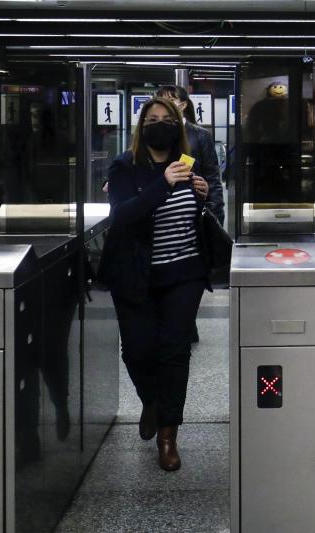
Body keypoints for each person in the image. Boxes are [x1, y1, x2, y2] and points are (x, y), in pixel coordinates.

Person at [98, 97, 210, 472]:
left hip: (184, 272)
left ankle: (167, 435)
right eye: (152, 119)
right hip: (134, 275)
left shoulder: (188, 163)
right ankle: (151, 401)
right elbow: (123, 215)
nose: (159, 124)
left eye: (166, 119)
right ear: (141, 126)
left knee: (174, 353)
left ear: (177, 127)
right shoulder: (124, 166)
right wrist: (163, 184)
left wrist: (202, 199)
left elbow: (201, 214)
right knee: (137, 350)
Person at [156, 85, 225, 343]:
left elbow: (212, 176)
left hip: (193, 213)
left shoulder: (199, 136)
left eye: (170, 100)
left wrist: (215, 213)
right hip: (161, 213)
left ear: (183, 104)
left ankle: (185, 321)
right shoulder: (150, 135)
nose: (164, 105)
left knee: (191, 269)